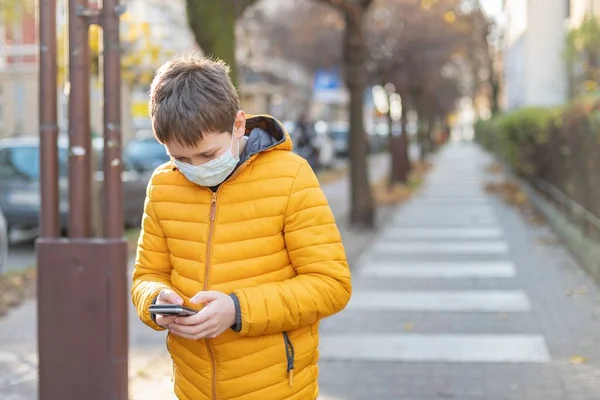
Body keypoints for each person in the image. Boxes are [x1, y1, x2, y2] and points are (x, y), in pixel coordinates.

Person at [131, 52, 352, 400]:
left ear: (238, 124)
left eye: (207, 155)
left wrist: (237, 309)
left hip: (277, 388)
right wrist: (156, 303)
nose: (195, 167)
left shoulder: (291, 176)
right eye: (180, 158)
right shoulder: (163, 185)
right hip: (192, 387)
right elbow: (145, 276)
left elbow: (331, 285)